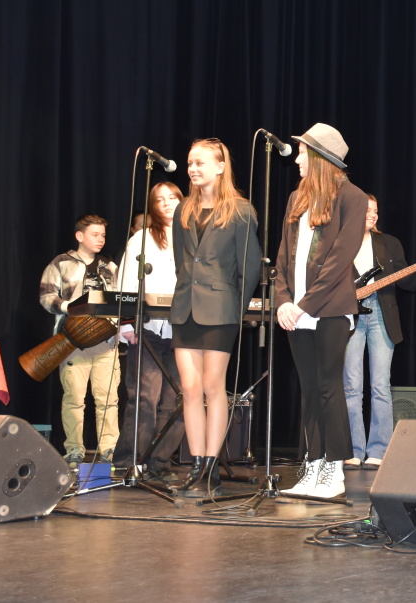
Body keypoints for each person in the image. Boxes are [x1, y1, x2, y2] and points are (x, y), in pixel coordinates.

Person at [274, 123, 367, 499]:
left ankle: (335, 468)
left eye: (302, 152)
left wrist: (303, 305)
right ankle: (313, 464)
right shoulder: (297, 197)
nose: (297, 159)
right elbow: (283, 255)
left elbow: (339, 260)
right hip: (295, 310)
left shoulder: (352, 197)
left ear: (321, 157)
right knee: (310, 389)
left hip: (329, 310)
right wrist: (283, 300)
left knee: (329, 387)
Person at [169, 138, 262, 498]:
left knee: (212, 385)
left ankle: (212, 468)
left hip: (221, 309)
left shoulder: (240, 211)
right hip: (186, 307)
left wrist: (235, 310)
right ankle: (197, 466)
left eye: (200, 163)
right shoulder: (183, 209)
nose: (193, 169)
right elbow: (181, 261)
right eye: (190, 163)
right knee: (190, 388)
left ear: (220, 167)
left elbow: (249, 268)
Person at [343, 194, 416, 470]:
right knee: (351, 386)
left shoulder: (389, 243)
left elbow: (407, 282)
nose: (373, 215)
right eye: (368, 210)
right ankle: (353, 450)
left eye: (376, 211)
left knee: (381, 385)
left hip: (382, 314)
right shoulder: (340, 243)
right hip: (349, 315)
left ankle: (378, 451)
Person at [114, 182, 186, 481]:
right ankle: (129, 461)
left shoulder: (194, 235)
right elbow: (126, 282)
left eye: (172, 198)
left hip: (184, 328)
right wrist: (125, 322)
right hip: (148, 328)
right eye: (160, 199)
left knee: (177, 400)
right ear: (152, 206)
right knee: (145, 397)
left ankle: (159, 462)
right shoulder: (141, 238)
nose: (167, 203)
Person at [39, 214, 121, 467]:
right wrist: (68, 307)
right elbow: (46, 296)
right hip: (72, 341)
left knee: (108, 399)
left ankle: (109, 450)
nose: (100, 239)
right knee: (74, 399)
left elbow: (121, 299)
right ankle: (74, 450)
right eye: (95, 234)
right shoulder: (61, 263)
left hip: (106, 343)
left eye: (103, 235)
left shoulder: (110, 266)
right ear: (79, 236)